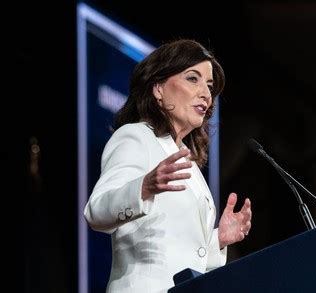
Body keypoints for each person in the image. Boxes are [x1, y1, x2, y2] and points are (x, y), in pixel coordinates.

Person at [84, 39, 252, 292]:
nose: (206, 93)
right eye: (193, 79)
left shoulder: (187, 160)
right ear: (158, 88)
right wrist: (143, 187)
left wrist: (218, 240)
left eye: (209, 85)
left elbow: (185, 255)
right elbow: (96, 212)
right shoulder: (135, 137)